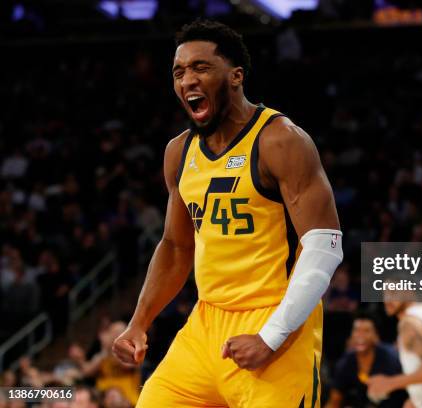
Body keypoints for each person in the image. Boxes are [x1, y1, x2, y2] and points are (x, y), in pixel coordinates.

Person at [112, 19, 343, 407]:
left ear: (235, 76)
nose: (187, 80)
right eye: (179, 72)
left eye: (201, 67)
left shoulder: (280, 139)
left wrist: (271, 336)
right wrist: (139, 322)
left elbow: (324, 246)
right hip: (206, 324)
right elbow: (175, 246)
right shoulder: (179, 152)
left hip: (276, 321)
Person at [325, 314, 407, 408]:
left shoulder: (391, 357)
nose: (360, 336)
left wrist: (389, 383)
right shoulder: (346, 362)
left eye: (366, 331)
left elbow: (413, 384)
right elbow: (334, 401)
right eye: (357, 330)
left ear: (376, 336)